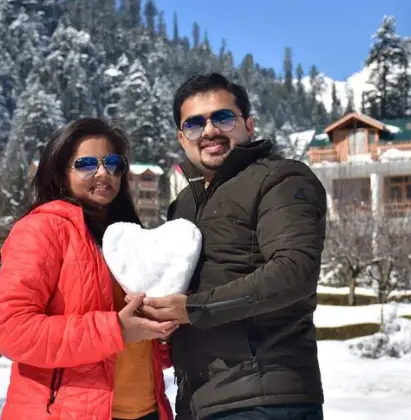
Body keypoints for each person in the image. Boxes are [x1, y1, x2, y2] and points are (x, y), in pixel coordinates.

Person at [135, 73, 328, 420]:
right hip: (198, 401)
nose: (209, 131)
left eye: (223, 118)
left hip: (264, 398)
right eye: (194, 124)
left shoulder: (280, 178)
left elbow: (294, 271)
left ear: (248, 125)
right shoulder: (184, 204)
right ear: (182, 138)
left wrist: (194, 309)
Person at [0, 117, 178, 420]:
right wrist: (115, 330)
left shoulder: (128, 237)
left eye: (113, 163)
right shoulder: (41, 229)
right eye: (87, 164)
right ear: (60, 173)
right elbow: (13, 330)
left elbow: (146, 348)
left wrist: (163, 333)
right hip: (66, 412)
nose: (103, 173)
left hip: (148, 410)